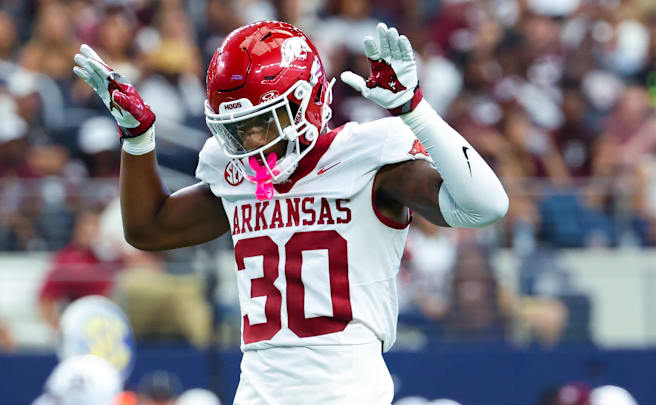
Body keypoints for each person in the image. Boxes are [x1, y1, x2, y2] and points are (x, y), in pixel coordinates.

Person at [74, 20, 508, 404]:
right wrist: (137, 139)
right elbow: (148, 229)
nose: (251, 141)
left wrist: (414, 110)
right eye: (237, 130)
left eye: (264, 121)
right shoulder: (240, 177)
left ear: (308, 99)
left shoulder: (368, 159)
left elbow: (484, 207)